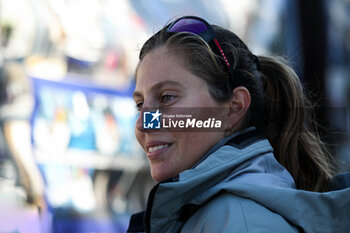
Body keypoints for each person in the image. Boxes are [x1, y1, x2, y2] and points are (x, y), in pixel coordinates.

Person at [127, 16, 350, 233]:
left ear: (234, 107)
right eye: (140, 104)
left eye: (167, 97)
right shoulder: (214, 211)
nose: (143, 123)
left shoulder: (241, 220)